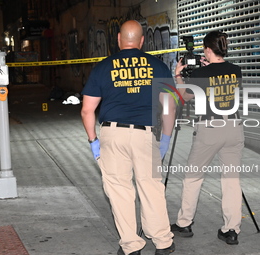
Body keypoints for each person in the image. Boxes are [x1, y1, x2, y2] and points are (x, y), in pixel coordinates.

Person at [81, 20, 176, 255]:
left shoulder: (103, 68)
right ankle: (163, 242)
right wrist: (165, 139)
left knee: (119, 189)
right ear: (142, 41)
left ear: (118, 40)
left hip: (113, 135)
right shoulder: (158, 66)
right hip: (145, 135)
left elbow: (86, 110)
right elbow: (169, 108)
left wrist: (93, 141)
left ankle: (132, 246)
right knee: (151, 187)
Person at [171, 31, 244, 245]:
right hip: (234, 128)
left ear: (208, 50)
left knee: (193, 177)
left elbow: (184, 96)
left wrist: (178, 75)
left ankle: (184, 223)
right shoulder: (235, 70)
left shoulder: (202, 74)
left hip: (210, 129)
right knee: (231, 181)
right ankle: (231, 230)